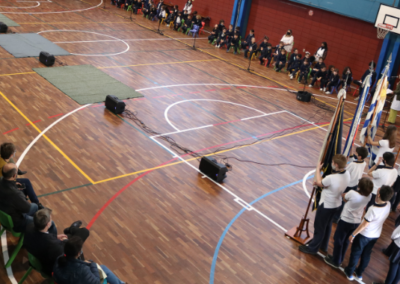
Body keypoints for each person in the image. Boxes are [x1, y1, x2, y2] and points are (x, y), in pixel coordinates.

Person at [299, 154, 350, 255]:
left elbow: (319, 182)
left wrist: (318, 169)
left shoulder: (332, 178)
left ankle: (312, 248)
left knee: (319, 227)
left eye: (333, 163)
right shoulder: (347, 174)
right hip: (337, 204)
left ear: (335, 164)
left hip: (327, 205)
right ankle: (324, 245)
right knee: (328, 225)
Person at [344, 185, 394, 281]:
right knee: (366, 254)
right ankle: (359, 273)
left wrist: (353, 234)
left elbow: (364, 225)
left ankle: (349, 272)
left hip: (364, 235)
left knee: (355, 253)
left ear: (378, 194)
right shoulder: (388, 204)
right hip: (375, 235)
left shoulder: (373, 209)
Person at [23, 208, 89, 276]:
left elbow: (42, 237)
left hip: (37, 255)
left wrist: (55, 237)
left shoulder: (29, 226)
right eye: (51, 219)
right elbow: (65, 252)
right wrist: (64, 240)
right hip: (51, 268)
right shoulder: (53, 244)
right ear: (48, 224)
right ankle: (72, 229)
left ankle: (72, 229)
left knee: (71, 236)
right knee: (83, 233)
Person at [324, 177, 373, 269]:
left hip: (346, 221)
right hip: (357, 221)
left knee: (338, 240)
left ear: (359, 187)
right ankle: (339, 258)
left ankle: (336, 261)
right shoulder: (369, 196)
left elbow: (344, 198)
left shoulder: (352, 194)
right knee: (346, 241)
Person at [53, 237, 126, 284]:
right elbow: (97, 282)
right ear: (78, 253)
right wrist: (92, 264)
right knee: (103, 268)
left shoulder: (59, 259)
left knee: (102, 268)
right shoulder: (82, 269)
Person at [0, 143, 42, 207]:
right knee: (24, 185)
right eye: (14, 152)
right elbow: (4, 182)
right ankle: (36, 204)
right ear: (11, 155)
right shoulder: (6, 167)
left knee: (26, 182)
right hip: (4, 187)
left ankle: (34, 202)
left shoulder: (3, 159)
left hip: (5, 183)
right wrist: (14, 184)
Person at [333, 146, 368, 223]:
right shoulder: (363, 163)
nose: (355, 154)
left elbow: (345, 172)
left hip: (348, 185)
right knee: (346, 200)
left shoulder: (353, 164)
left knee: (342, 200)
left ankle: (336, 217)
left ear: (360, 156)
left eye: (357, 153)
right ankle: (339, 215)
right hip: (355, 184)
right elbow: (354, 160)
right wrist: (350, 148)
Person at [0, 163, 38, 232]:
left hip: (3, 216)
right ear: (14, 175)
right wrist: (19, 193)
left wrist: (13, 185)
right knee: (35, 206)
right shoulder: (15, 194)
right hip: (16, 223)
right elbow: (27, 208)